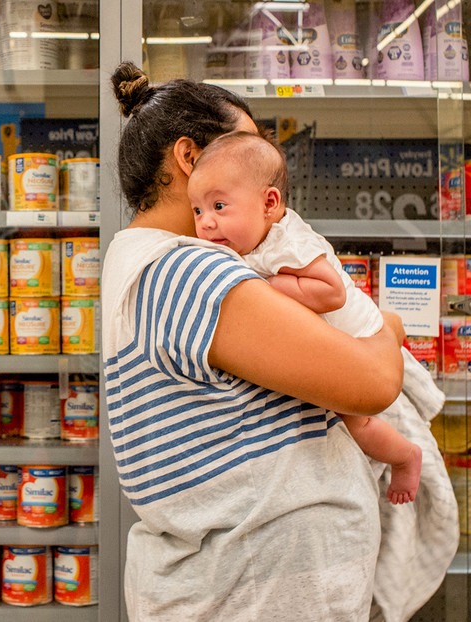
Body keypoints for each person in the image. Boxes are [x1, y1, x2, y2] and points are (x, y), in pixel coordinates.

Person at [102, 62, 408, 619]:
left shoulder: (143, 263)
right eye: (242, 145)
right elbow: (376, 382)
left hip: (245, 582)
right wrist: (389, 328)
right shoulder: (186, 271)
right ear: (189, 158)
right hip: (259, 589)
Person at [188, 130, 432, 504]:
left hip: (361, 339)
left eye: (219, 207)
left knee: (359, 423)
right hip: (339, 346)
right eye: (198, 210)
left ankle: (405, 457)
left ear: (269, 203)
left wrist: (267, 286)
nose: (205, 222)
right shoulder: (250, 243)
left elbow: (330, 291)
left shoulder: (287, 243)